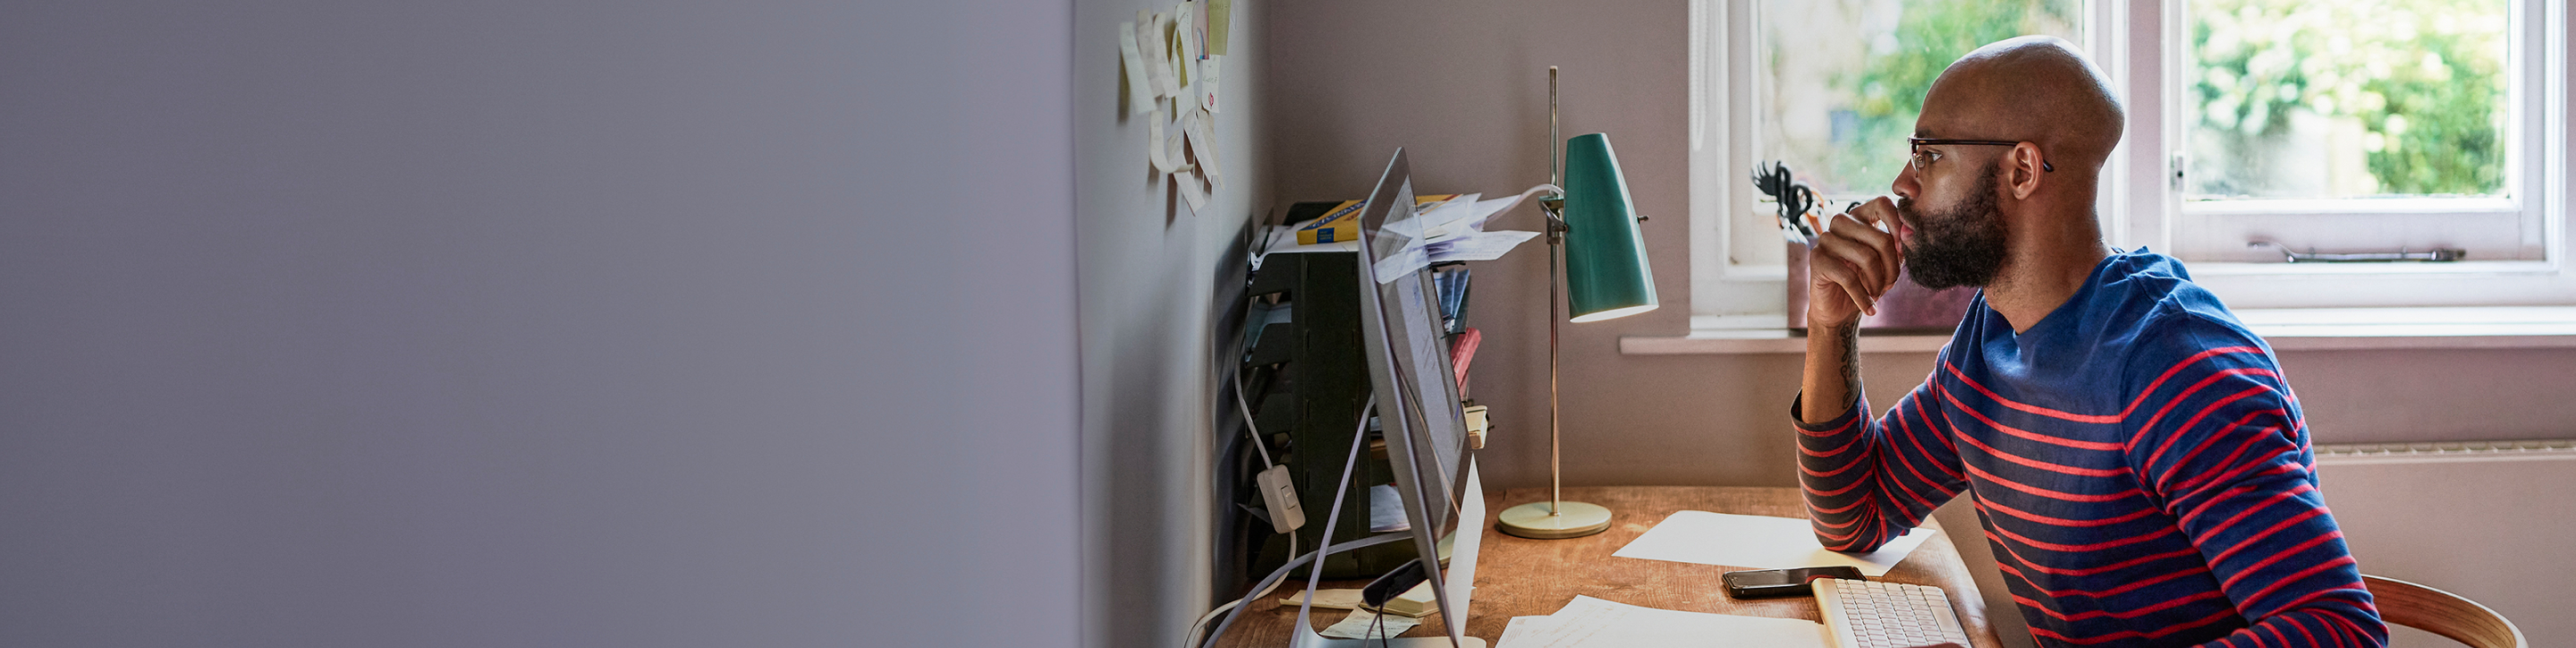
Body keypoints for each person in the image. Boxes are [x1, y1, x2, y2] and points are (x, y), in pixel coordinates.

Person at [1792, 36, 2387, 646]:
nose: (1902, 184)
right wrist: (1831, 321)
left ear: (2021, 170)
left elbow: (2343, 631)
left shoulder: (2178, 371)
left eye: (1929, 155)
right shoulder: (1990, 336)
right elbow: (1856, 516)